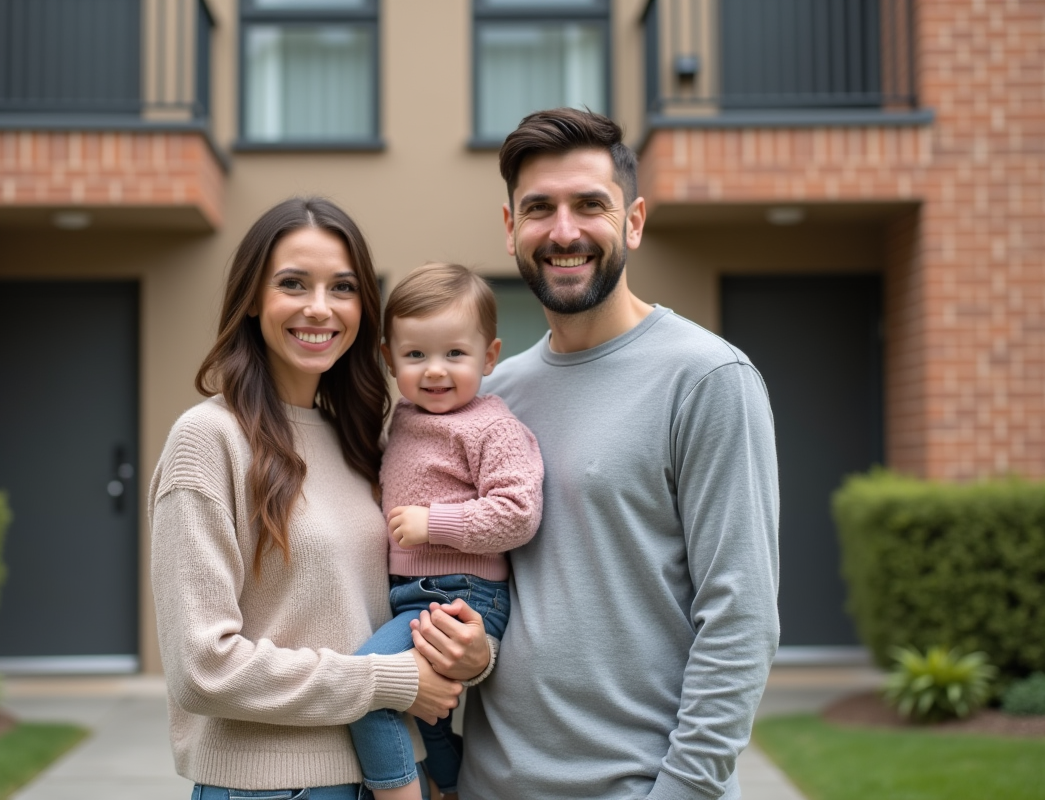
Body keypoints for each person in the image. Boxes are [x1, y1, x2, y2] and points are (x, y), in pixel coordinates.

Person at [441, 109, 782, 799]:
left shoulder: (708, 379)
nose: (564, 231)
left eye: (590, 205)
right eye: (539, 208)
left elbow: (740, 617)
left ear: (633, 221)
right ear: (511, 228)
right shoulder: (493, 397)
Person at [148, 197, 490, 800]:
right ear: (252, 299)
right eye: (293, 284)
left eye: (343, 287)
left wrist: (471, 654)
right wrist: (386, 682)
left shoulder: (358, 439)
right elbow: (202, 669)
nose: (319, 307)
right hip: (274, 789)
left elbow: (393, 608)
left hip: (390, 776)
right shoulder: (208, 440)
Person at [346, 263, 544, 800]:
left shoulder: (491, 426)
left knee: (368, 686)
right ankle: (450, 788)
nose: (435, 371)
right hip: (415, 594)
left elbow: (518, 512)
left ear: (490, 356)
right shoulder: (405, 418)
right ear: (389, 359)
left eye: (454, 354)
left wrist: (434, 522)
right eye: (416, 355)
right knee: (426, 716)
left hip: (460, 594)